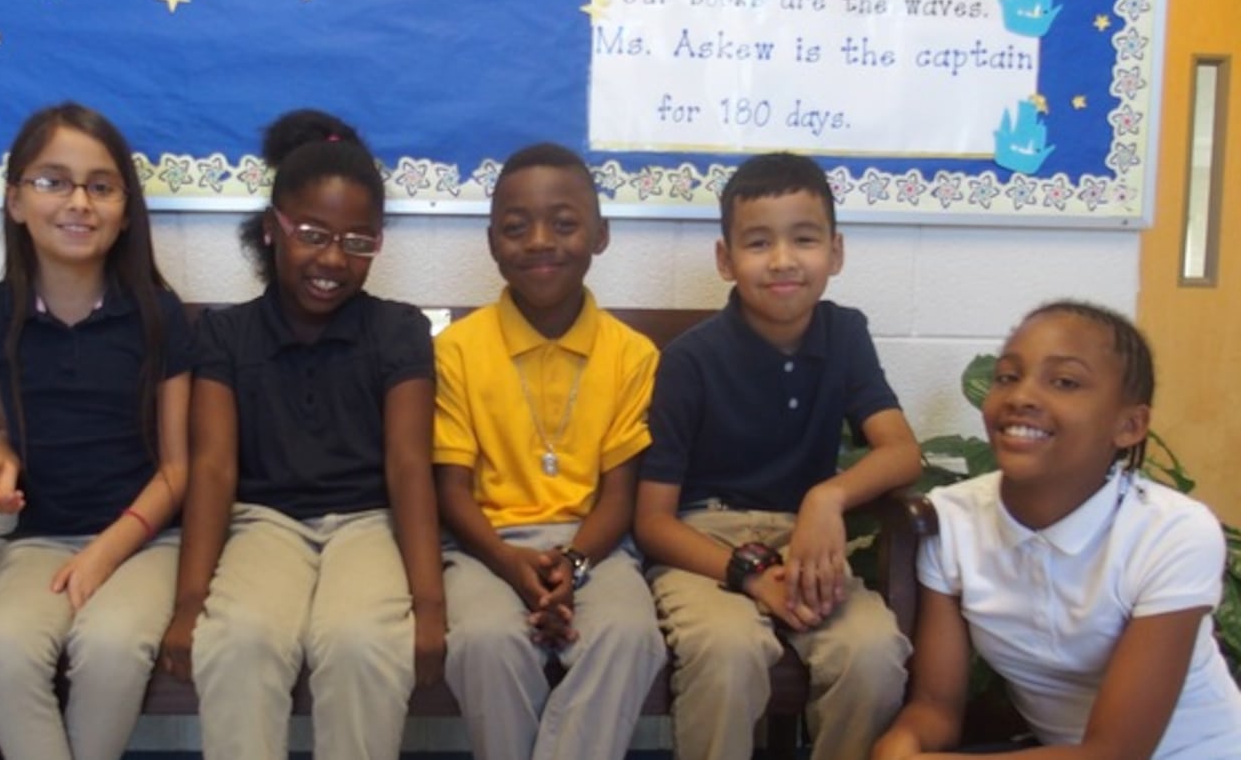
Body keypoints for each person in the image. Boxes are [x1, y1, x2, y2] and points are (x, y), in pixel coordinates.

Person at [158, 110, 445, 760]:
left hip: (368, 524)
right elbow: (213, 470)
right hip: (264, 522)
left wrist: (430, 606)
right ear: (272, 229)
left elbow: (408, 466)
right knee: (239, 638)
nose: (334, 259)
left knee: (360, 642)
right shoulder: (226, 335)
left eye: (359, 242)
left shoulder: (399, 331)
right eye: (313, 234)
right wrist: (190, 602)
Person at [634, 151, 922, 760]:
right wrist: (750, 575)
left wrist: (827, 498)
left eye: (805, 239)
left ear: (836, 253)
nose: (783, 260)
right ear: (725, 259)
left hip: (805, 543)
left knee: (871, 654)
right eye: (759, 242)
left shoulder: (845, 335)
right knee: (727, 650)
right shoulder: (690, 361)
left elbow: (901, 451)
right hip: (704, 546)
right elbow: (653, 522)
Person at [872, 301, 1241, 759]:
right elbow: (935, 709)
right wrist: (901, 748)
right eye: (1008, 376)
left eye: (1065, 382)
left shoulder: (1172, 533)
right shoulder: (953, 520)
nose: (1021, 396)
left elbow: (1114, 753)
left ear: (1129, 425)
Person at [0, 102, 195, 760]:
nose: (79, 203)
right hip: (42, 539)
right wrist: (2, 449)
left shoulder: (158, 316)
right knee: (3, 648)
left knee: (110, 646)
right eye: (52, 181)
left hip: (147, 539)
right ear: (15, 200)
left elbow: (179, 470)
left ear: (125, 210)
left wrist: (106, 552)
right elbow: (8, 423)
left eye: (101, 186)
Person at [433, 142, 666, 760]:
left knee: (628, 635)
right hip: (486, 546)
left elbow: (620, 495)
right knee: (485, 641)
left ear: (600, 235)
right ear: (492, 242)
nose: (540, 242)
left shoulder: (632, 355)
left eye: (563, 224)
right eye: (516, 228)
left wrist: (575, 562)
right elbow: (450, 491)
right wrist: (509, 562)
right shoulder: (456, 351)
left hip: (596, 546)